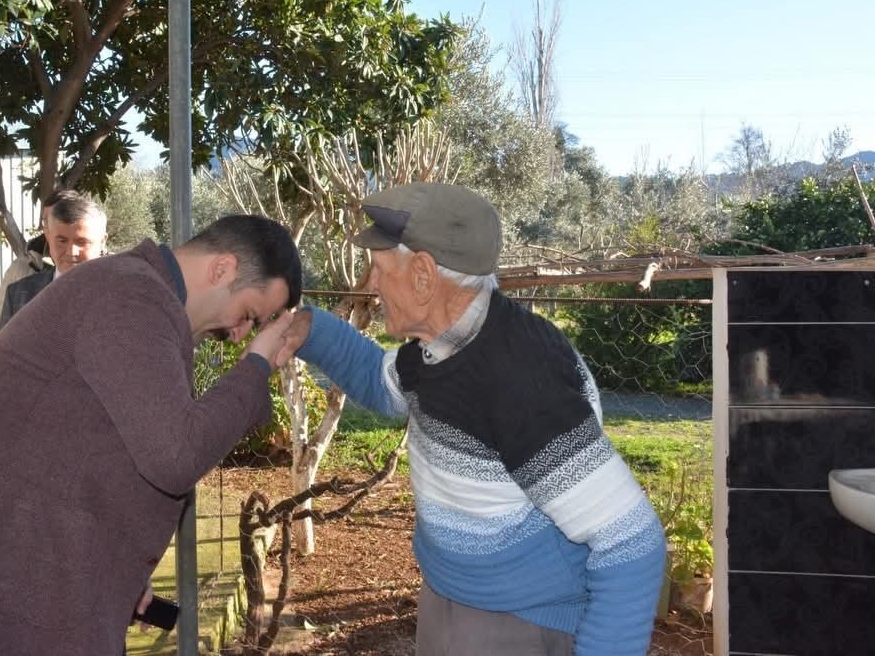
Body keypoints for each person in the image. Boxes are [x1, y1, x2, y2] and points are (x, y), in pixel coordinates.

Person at [0, 215, 304, 656]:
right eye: (247, 314)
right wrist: (257, 365)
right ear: (221, 269)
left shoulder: (134, 292)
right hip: (5, 599)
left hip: (20, 585)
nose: (239, 334)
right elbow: (176, 455)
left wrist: (120, 570)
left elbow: (92, 447)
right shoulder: (132, 297)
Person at [285, 183, 666, 656]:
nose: (371, 285)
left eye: (381, 270)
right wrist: (308, 329)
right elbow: (380, 383)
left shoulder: (522, 375)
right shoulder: (438, 347)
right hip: (452, 599)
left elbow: (631, 544)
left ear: (423, 276)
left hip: (519, 623)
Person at [0, 189, 108, 334]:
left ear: (102, 241)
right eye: (62, 241)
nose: (71, 252)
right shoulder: (19, 294)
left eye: (82, 242)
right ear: (48, 236)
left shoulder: (124, 294)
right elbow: (4, 355)